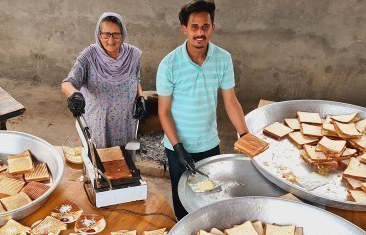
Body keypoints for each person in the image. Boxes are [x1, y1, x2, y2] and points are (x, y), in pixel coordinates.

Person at [157, 0, 249, 220]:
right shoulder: (169, 64)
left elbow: (230, 101)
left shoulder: (223, 59)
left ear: (213, 28)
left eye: (205, 27)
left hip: (209, 143)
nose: (200, 33)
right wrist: (178, 148)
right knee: (183, 203)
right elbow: (164, 112)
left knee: (209, 200)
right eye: (195, 27)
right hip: (178, 147)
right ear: (185, 29)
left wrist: (245, 135)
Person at [62, 12, 147, 148]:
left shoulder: (132, 55)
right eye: (106, 34)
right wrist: (74, 95)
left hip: (126, 122)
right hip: (99, 124)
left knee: (125, 164)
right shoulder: (89, 56)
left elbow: (136, 80)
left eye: (116, 34)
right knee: (101, 163)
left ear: (123, 34)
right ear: (98, 34)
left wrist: (140, 98)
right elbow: (68, 82)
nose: (111, 40)